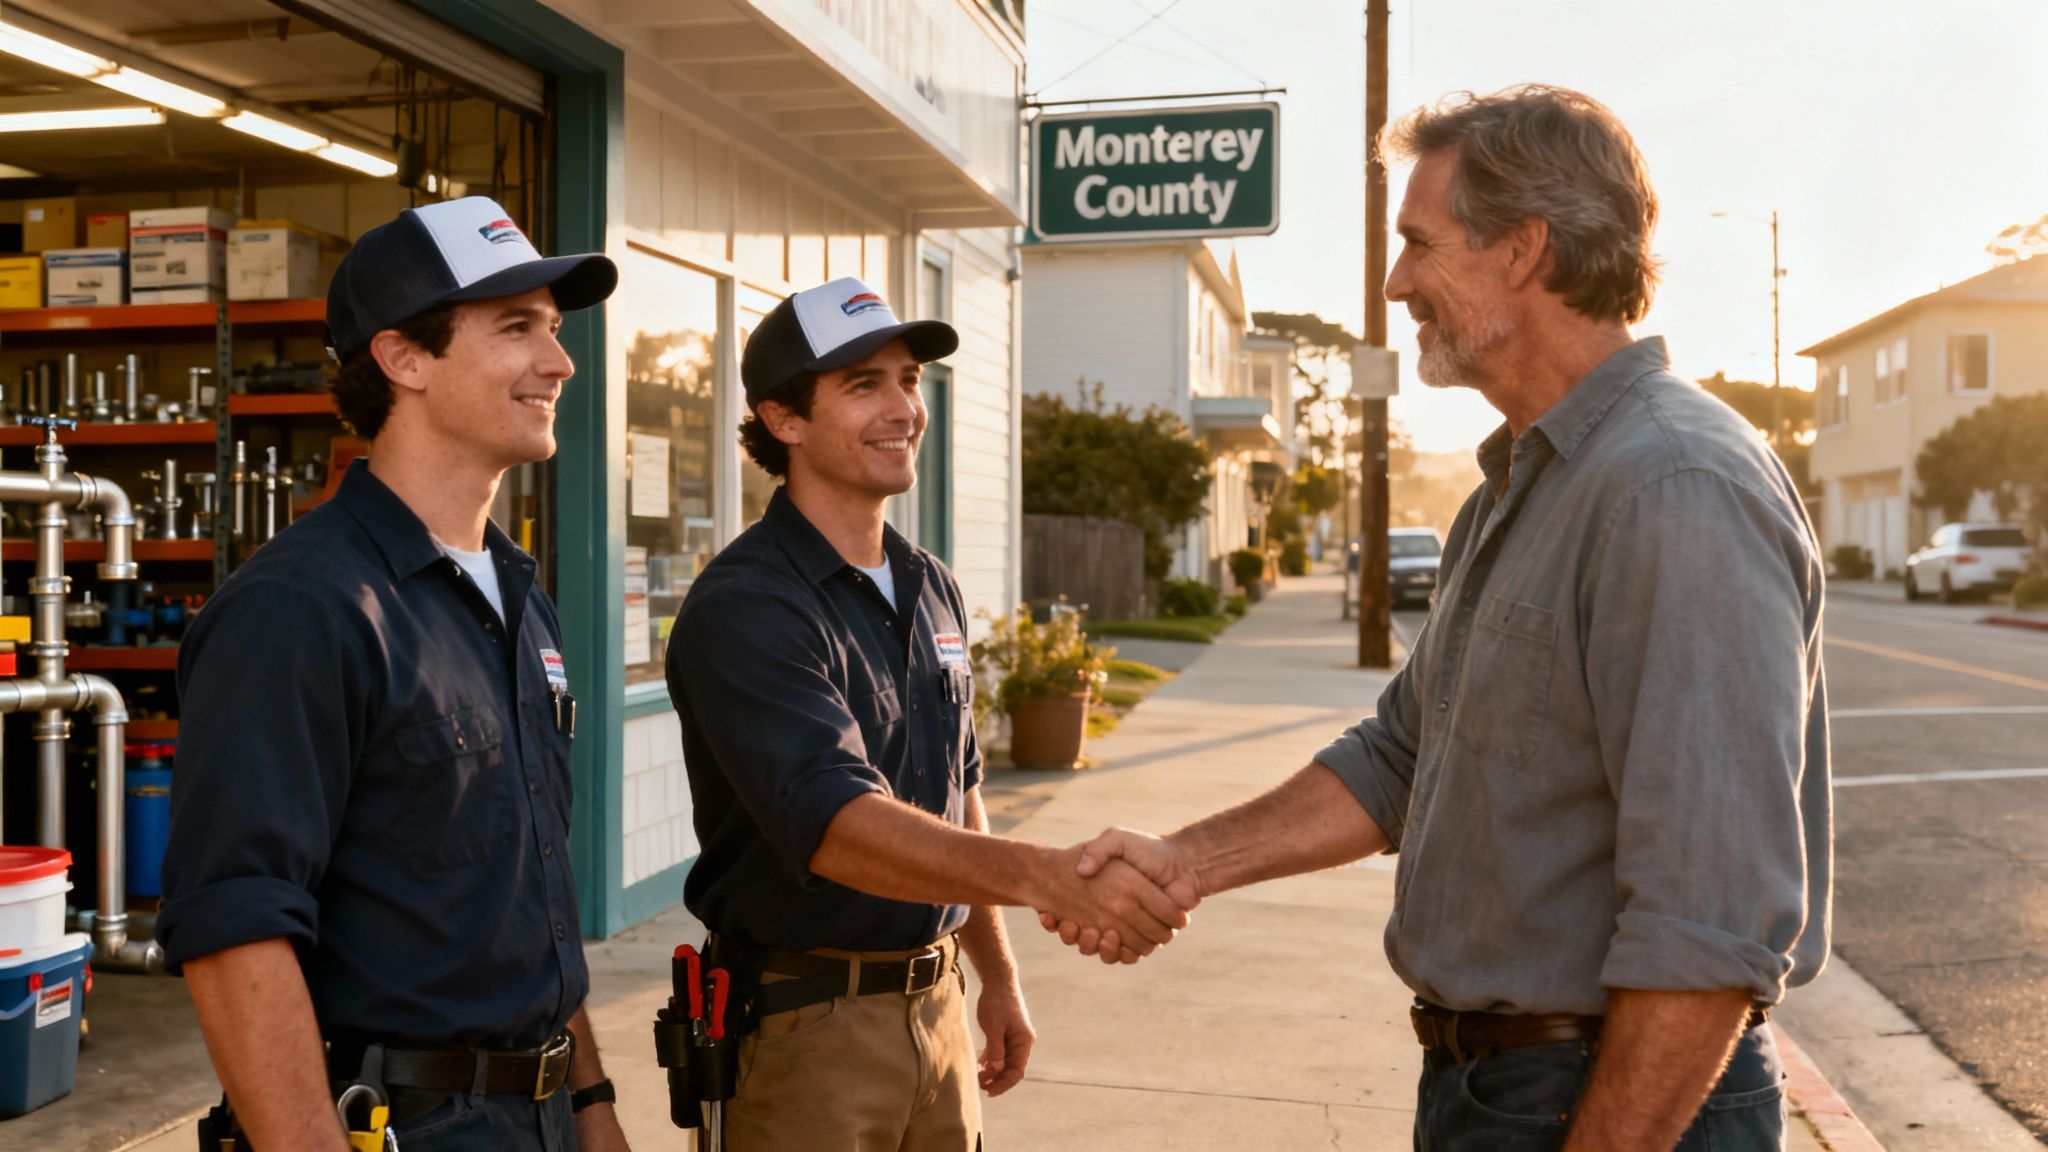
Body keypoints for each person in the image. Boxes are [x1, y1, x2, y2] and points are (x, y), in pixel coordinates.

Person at [1050, 86, 1832, 1152]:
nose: (1395, 281)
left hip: (1611, 1098)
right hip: (1495, 1090)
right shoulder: (1519, 486)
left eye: (1419, 243)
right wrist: (1185, 861)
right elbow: (1400, 759)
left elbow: (1709, 918)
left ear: (1523, 249)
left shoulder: (1672, 487)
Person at [664, 276, 1194, 1150]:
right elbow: (837, 825)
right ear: (785, 420)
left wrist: (998, 976)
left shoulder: (929, 584)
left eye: (908, 379)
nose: (904, 408)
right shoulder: (747, 607)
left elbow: (958, 792)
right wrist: (1044, 875)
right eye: (863, 385)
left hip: (938, 1009)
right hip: (804, 1033)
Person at [158, 196, 630, 1152]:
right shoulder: (300, 609)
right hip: (394, 1125)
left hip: (540, 1117)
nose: (560, 361)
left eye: (553, 327)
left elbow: (531, 894)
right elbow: (234, 932)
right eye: (516, 328)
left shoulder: (517, 594)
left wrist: (591, 1107)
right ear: (403, 358)